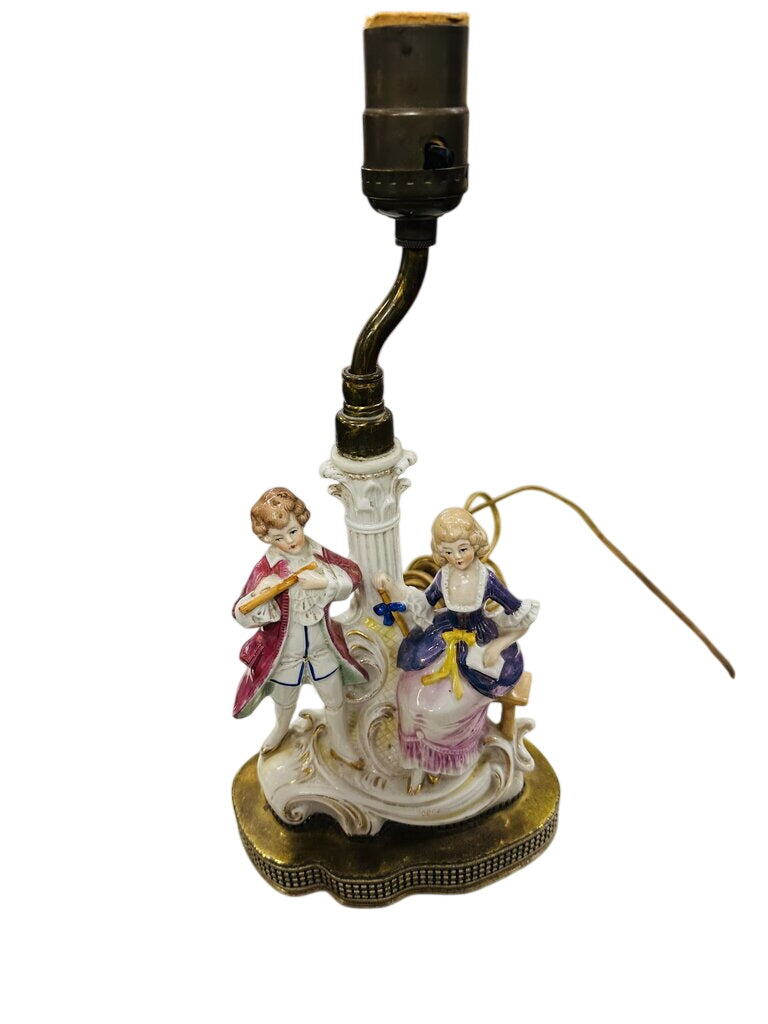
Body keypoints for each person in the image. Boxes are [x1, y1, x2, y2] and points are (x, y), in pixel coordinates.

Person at [376, 507, 538, 791]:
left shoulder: (486, 578)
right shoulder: (444, 576)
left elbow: (521, 617)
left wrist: (498, 645)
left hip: (477, 644)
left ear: (475, 544)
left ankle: (443, 764)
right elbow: (423, 603)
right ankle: (417, 763)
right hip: (443, 637)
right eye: (448, 552)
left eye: (463, 549)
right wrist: (391, 586)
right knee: (408, 694)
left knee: (443, 712)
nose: (457, 558)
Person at [232, 487, 367, 759]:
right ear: (267, 538)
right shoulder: (266, 567)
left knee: (334, 697)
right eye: (278, 537)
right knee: (284, 698)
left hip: (321, 646)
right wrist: (261, 593)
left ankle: (339, 740)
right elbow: (240, 613)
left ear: (301, 522)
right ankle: (281, 727)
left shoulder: (317, 554)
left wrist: (324, 581)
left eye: (293, 531)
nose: (289, 541)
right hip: (285, 652)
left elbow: (353, 574)